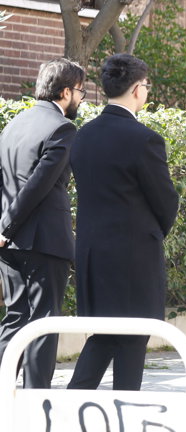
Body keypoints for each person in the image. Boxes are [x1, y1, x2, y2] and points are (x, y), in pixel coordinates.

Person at [67, 54, 179, 391]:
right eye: (146, 85)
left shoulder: (83, 135)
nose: (146, 91)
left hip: (91, 253)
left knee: (104, 335)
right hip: (133, 256)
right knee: (132, 338)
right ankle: (125, 413)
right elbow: (166, 202)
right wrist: (153, 232)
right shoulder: (144, 139)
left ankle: (71, 406)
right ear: (136, 88)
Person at [0, 58, 85, 388]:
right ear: (65, 92)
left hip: (9, 243)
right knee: (44, 323)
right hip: (45, 243)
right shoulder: (62, 128)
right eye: (80, 91)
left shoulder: (13, 125)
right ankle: (36, 402)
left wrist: (4, 229)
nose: (81, 99)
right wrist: (7, 227)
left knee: (16, 318)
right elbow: (39, 184)